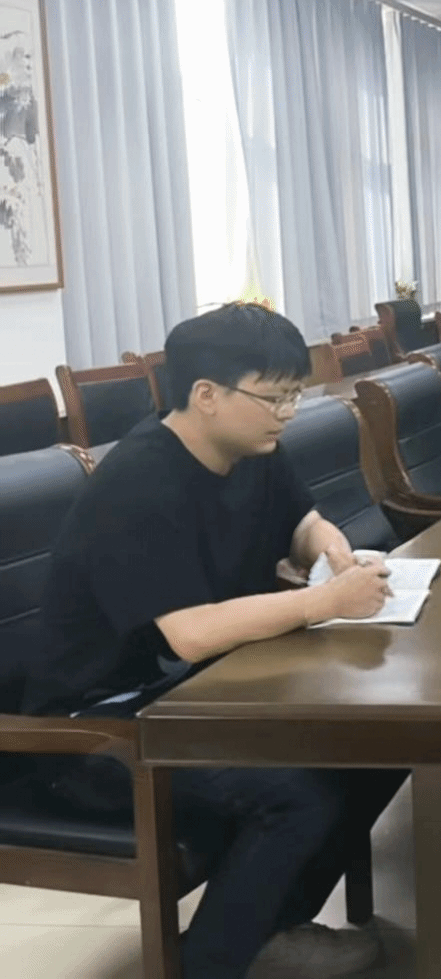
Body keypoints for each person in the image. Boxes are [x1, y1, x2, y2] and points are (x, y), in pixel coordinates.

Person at [25, 303, 405, 979]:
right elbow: (192, 633)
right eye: (274, 397)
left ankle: (268, 928)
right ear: (206, 395)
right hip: (92, 733)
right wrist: (322, 601)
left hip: (187, 698)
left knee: (377, 748)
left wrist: (330, 549)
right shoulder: (141, 482)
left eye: (294, 395)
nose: (287, 413)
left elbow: (302, 520)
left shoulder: (252, 448)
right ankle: (209, 963)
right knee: (294, 793)